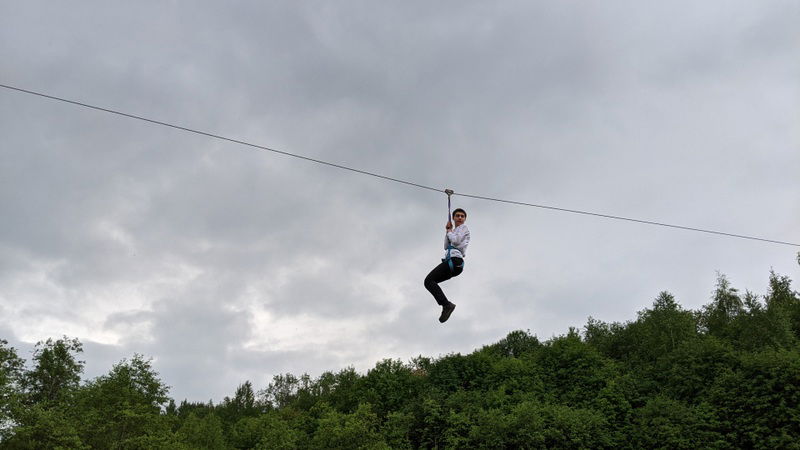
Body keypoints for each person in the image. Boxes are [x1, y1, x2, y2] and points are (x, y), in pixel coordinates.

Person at [424, 208, 470, 323]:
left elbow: (456, 241)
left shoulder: (464, 228)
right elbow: (446, 246)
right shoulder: (453, 231)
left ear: (464, 219)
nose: (460, 218)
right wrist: (448, 230)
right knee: (429, 282)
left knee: (428, 280)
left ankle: (447, 305)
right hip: (452, 264)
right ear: (453, 218)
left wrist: (450, 232)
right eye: (457, 216)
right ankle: (446, 305)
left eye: (462, 216)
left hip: (455, 261)